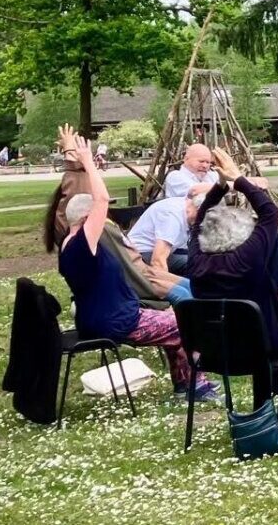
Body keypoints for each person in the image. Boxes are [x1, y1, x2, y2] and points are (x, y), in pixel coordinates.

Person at [54, 132, 215, 401]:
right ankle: (195, 387)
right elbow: (100, 199)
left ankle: (184, 385)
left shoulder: (68, 243)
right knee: (186, 322)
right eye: (98, 214)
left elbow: (71, 202)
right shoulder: (84, 243)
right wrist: (87, 161)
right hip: (117, 320)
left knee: (176, 319)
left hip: (97, 317)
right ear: (86, 217)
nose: (105, 216)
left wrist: (72, 156)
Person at [181, 148, 278, 434]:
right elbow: (269, 212)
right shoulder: (246, 259)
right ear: (239, 236)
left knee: (259, 336)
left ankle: (267, 411)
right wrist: (237, 179)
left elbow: (200, 219)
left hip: (217, 352)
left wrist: (220, 185)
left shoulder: (196, 260)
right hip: (261, 347)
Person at [45, 124, 185, 306]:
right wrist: (76, 157)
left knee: (193, 289)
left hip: (142, 273)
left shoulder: (93, 227)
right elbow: (84, 191)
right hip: (134, 282)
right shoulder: (85, 234)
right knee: (186, 298)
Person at [126, 191, 208, 279]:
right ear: (199, 210)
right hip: (141, 255)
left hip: (166, 251)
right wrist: (170, 287)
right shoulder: (172, 217)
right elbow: (158, 261)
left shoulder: (188, 206)